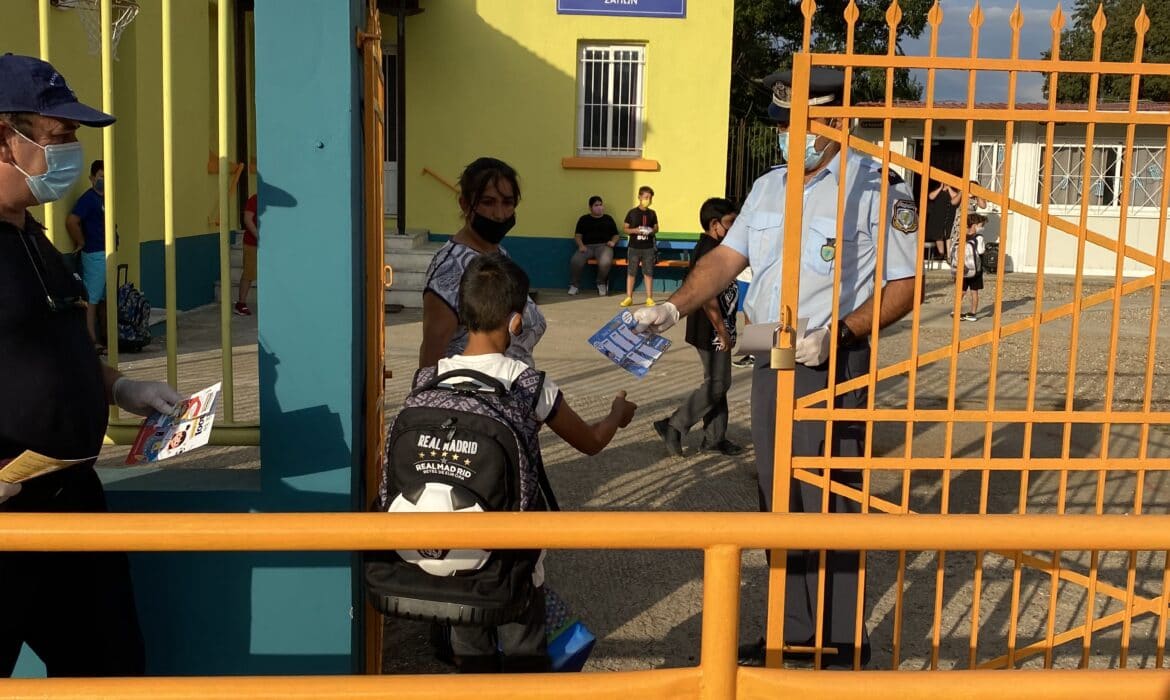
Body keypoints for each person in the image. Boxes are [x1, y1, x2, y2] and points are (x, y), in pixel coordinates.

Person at [632, 66, 919, 669]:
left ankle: (839, 643)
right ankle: (789, 632)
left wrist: (839, 333)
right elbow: (724, 260)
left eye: (800, 120)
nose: (789, 133)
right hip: (770, 360)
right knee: (777, 497)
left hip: (831, 361)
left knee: (831, 500)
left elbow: (903, 285)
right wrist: (673, 306)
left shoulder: (877, 187)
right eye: (784, 121)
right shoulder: (768, 187)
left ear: (835, 119)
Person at [0, 53, 184, 677]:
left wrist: (122, 386)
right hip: (6, 509)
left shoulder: (31, 235)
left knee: (110, 669)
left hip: (70, 497)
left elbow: (56, 348)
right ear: (4, 138)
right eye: (58, 136)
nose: (71, 153)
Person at [437, 252, 637, 672]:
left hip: (448, 551)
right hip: (514, 559)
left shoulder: (433, 378)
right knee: (524, 655)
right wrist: (616, 415)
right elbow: (591, 442)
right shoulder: (529, 385)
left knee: (470, 659)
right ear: (516, 323)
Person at [419, 157, 546, 369]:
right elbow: (431, 358)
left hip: (512, 385)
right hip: (472, 389)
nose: (499, 214)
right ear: (465, 204)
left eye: (508, 202)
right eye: (488, 202)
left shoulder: (497, 253)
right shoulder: (450, 269)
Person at [653, 198, 744, 458]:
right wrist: (722, 330)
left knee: (718, 383)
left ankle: (715, 438)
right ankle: (674, 424)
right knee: (717, 383)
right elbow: (707, 296)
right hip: (710, 329)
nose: (734, 227)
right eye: (730, 222)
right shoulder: (709, 251)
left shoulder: (718, 246)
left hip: (718, 327)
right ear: (714, 224)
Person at [66, 159, 109, 350]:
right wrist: (81, 241)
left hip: (106, 252)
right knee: (91, 299)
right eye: (101, 177)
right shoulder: (88, 199)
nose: (104, 180)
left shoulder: (106, 199)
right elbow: (72, 221)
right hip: (94, 254)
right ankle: (91, 340)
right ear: (92, 178)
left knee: (102, 299)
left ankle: (107, 338)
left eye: (107, 177)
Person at [568, 195, 620, 296]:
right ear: (590, 207)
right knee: (575, 261)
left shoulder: (608, 219)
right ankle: (574, 285)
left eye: (600, 205)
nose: (599, 207)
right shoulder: (584, 219)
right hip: (587, 247)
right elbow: (578, 236)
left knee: (606, 262)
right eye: (596, 205)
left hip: (604, 246)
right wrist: (581, 245)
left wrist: (613, 242)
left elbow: (616, 235)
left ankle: (601, 283)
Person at [620, 185, 659, 308]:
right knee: (631, 272)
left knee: (648, 272)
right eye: (646, 197)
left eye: (650, 198)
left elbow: (656, 228)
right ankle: (629, 297)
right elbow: (625, 228)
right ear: (639, 197)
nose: (648, 200)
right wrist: (635, 230)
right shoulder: (632, 213)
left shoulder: (652, 213)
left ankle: (649, 298)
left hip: (648, 248)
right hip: (634, 247)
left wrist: (651, 231)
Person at [953, 212, 987, 321]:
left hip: (963, 268)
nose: (982, 228)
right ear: (975, 225)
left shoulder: (962, 236)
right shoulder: (979, 237)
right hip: (975, 269)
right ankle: (972, 313)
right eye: (981, 225)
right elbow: (981, 251)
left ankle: (956, 310)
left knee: (961, 291)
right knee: (974, 292)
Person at [234, 192, 258, 316]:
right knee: (249, 272)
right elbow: (247, 219)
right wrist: (260, 237)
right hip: (252, 243)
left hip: (271, 245)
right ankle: (241, 304)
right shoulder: (255, 199)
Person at [926, 180, 959, 263]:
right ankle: (941, 254)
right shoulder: (938, 189)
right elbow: (931, 197)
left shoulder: (954, 190)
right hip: (938, 215)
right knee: (938, 235)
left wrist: (949, 188)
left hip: (949, 215)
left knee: (948, 235)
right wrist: (940, 188)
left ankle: (949, 256)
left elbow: (955, 197)